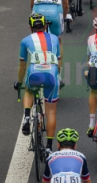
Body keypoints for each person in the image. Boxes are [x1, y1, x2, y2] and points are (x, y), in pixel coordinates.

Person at [14, 14, 61, 155]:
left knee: (28, 90)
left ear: (30, 27)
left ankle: (27, 117)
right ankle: (48, 147)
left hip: (34, 73)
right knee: (51, 112)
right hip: (52, 73)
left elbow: (22, 66)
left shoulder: (25, 40)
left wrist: (20, 82)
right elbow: (58, 62)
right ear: (46, 25)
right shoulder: (55, 39)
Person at [31, 0, 69, 75]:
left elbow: (32, 3)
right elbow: (66, 4)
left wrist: (32, 15)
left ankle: (35, 64)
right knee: (58, 40)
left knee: (35, 39)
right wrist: (65, 16)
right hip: (55, 11)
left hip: (38, 10)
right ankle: (58, 73)